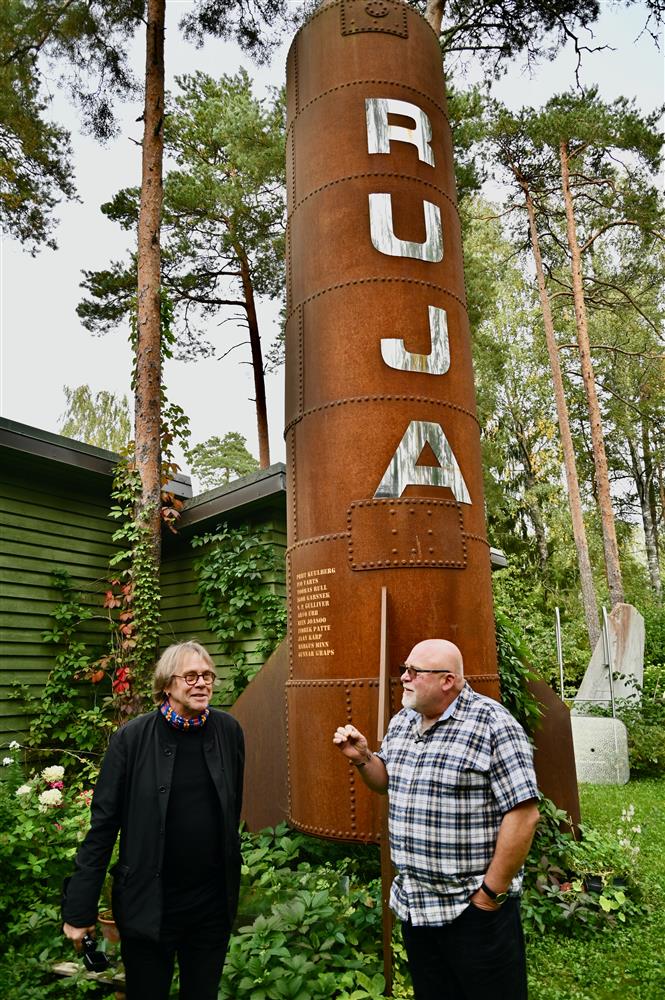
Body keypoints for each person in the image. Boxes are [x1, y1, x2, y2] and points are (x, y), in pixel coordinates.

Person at [333, 638, 540, 1000]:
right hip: (418, 906)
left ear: (448, 681)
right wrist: (364, 758)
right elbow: (386, 782)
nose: (405, 678)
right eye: (404, 670)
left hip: (472, 909)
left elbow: (523, 814)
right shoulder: (403, 721)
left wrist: (490, 895)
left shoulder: (493, 725)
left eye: (415, 672)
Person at [62, 640, 244, 1000]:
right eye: (190, 676)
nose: (202, 683)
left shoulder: (228, 731)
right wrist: (79, 909)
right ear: (166, 684)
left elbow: (231, 808)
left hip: (209, 906)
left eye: (207, 675)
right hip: (148, 905)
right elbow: (102, 826)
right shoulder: (132, 739)